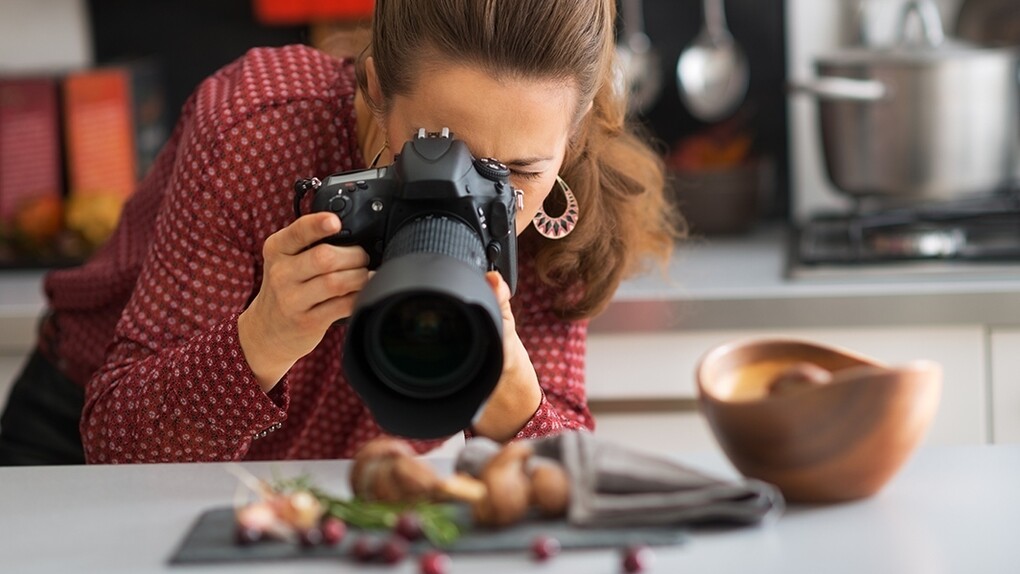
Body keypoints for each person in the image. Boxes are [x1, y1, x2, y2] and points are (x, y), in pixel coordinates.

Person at [0, 0, 680, 465]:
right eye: (434, 147)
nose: (471, 194)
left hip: (327, 496)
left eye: (519, 171)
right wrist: (261, 335)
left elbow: (571, 488)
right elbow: (117, 445)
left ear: (576, 131)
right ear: (378, 86)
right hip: (72, 438)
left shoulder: (564, 219)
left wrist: (519, 413)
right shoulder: (261, 129)